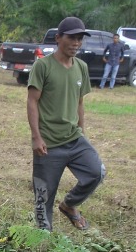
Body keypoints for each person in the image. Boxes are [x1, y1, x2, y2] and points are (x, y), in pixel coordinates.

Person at [27, 16, 105, 231]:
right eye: (71, 38)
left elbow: (80, 102)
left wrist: (82, 133)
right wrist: (36, 137)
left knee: (97, 172)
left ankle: (70, 205)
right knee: (44, 197)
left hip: (74, 138)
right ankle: (44, 243)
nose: (76, 43)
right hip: (48, 144)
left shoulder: (81, 67)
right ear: (58, 38)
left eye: (80, 39)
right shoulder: (43, 66)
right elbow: (32, 101)